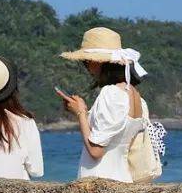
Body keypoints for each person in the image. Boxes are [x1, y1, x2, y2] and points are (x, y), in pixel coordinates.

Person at [57, 26, 150, 183]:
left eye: (86, 62)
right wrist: (83, 112)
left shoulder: (111, 93)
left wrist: (80, 113)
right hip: (124, 179)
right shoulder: (137, 97)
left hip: (99, 180)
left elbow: (96, 151)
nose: (87, 67)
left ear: (97, 62)